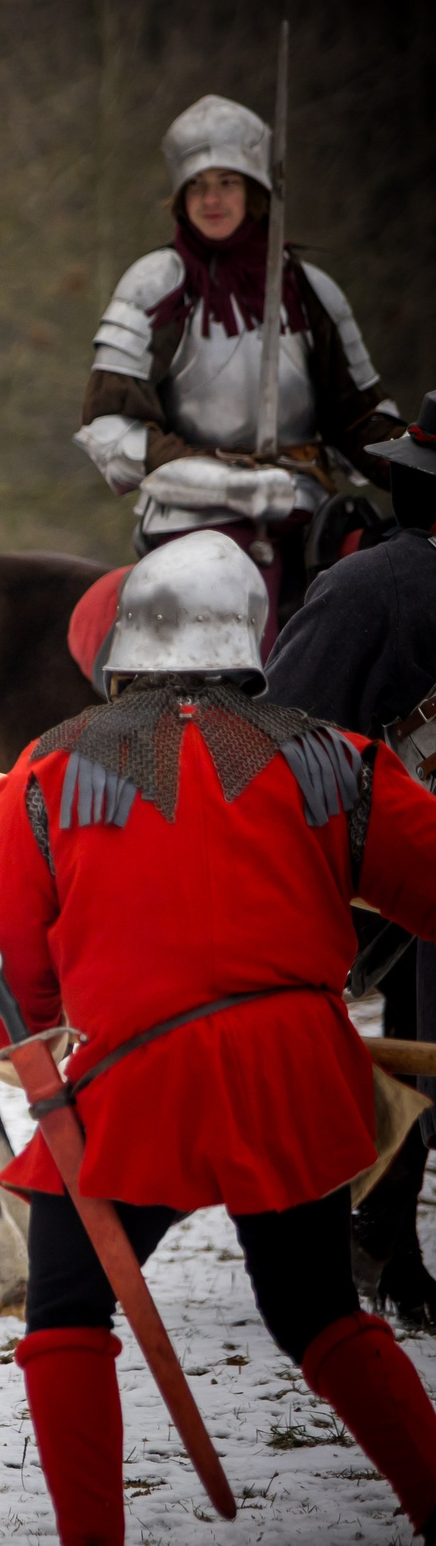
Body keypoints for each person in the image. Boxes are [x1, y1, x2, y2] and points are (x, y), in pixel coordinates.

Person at [0, 530, 436, 1543]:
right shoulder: (332, 757)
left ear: (128, 639)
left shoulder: (51, 767)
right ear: (252, 637)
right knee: (316, 1308)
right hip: (297, 1076)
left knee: (65, 1310)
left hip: (140, 1077)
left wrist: (30, 1036)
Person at [74, 94, 400, 647]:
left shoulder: (311, 290)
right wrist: (232, 485)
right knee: (244, 627)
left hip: (308, 510)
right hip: (196, 515)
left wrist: (418, 462)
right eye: (198, 186)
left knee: (393, 588)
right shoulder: (156, 284)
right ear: (181, 198)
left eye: (227, 182)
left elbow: (359, 417)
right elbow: (110, 426)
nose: (212, 199)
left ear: (253, 191)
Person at [268, 390, 436, 1322]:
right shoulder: (369, 586)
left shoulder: (365, 588)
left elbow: (279, 741)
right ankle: (379, 1229)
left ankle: (373, 1226)